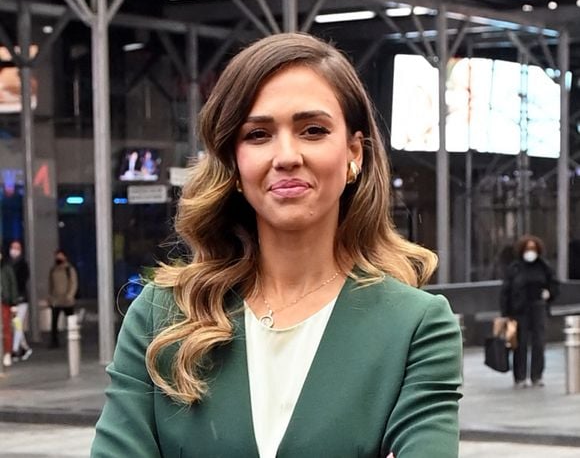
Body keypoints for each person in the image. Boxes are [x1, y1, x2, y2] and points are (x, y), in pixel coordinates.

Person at [91, 33, 463, 458]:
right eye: (258, 134)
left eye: (313, 130)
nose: (286, 155)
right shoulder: (162, 316)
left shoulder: (416, 328)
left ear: (353, 154)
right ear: (233, 162)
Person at [500, 234, 559, 388]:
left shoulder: (544, 267)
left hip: (538, 308)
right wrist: (505, 313)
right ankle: (520, 377)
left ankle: (536, 376)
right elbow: (506, 291)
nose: (530, 251)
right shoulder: (515, 268)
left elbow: (554, 284)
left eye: (533, 248)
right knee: (520, 344)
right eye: (527, 248)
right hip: (519, 311)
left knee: (539, 343)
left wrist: (549, 294)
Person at [6, 240, 32, 361]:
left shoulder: (23, 265)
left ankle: (15, 350)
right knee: (16, 325)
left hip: (21, 300)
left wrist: (17, 296)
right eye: (13, 247)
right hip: (12, 299)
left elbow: (22, 281)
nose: (14, 250)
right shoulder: (7, 264)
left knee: (17, 324)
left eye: (17, 248)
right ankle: (25, 348)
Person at [48, 249, 78, 348]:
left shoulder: (69, 269)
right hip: (56, 300)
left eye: (61, 256)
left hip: (67, 301)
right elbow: (51, 284)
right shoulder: (53, 269)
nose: (58, 258)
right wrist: (50, 297)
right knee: (54, 323)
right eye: (57, 256)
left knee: (71, 322)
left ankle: (72, 340)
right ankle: (54, 342)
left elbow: (74, 283)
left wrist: (70, 295)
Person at [1, 248, 18, 367]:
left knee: (6, 328)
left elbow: (13, 285)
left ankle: (7, 353)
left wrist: (13, 303)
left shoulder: (7, 269)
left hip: (5, 303)